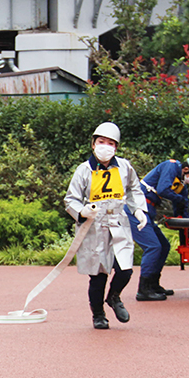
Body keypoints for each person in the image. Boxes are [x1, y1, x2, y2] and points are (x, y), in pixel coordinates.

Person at [64, 121, 148, 330]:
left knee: (125, 269)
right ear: (93, 144)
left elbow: (134, 189)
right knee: (98, 273)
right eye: (101, 141)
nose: (105, 146)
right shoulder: (84, 170)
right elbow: (71, 199)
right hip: (94, 226)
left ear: (116, 147)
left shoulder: (124, 167)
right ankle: (98, 315)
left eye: (111, 143)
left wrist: (138, 209)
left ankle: (114, 296)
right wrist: (81, 211)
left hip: (118, 222)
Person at [130, 154, 189, 301]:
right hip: (135, 209)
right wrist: (181, 199)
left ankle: (153, 284)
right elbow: (162, 190)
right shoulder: (171, 166)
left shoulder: (181, 185)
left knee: (164, 246)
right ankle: (143, 289)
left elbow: (182, 207)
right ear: (185, 169)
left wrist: (185, 224)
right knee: (153, 247)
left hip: (148, 210)